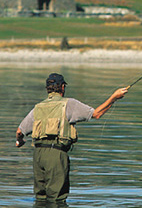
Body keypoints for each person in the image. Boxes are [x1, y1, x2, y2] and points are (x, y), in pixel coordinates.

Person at [16, 73, 128, 203]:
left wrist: (20, 141)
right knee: (57, 199)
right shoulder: (69, 104)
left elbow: (20, 131)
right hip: (56, 154)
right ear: (62, 87)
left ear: (48, 89)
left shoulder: (38, 107)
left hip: (38, 156)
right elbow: (96, 114)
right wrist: (114, 97)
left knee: (41, 198)